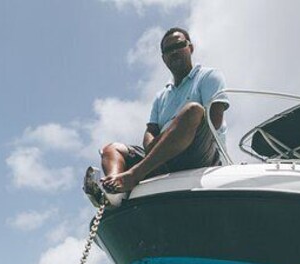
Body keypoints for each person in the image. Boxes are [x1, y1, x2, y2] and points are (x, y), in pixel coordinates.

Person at [83, 27, 229, 204]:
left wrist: (166, 137)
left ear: (190, 47)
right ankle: (113, 191)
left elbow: (214, 121)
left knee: (193, 110)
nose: (174, 52)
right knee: (112, 148)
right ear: (163, 58)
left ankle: (133, 175)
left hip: (200, 152)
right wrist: (155, 147)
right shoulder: (161, 96)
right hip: (162, 157)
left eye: (179, 45)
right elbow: (150, 130)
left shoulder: (209, 76)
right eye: (168, 50)